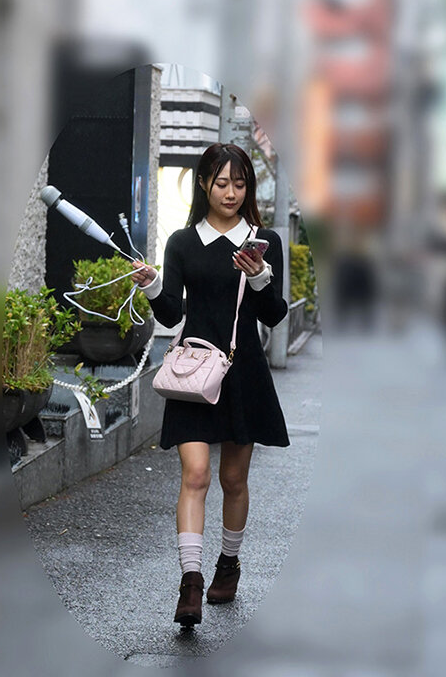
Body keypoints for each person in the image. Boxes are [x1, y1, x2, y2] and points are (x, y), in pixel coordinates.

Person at [130, 143, 290, 628]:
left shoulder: (263, 241)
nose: (231, 193)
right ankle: (191, 583)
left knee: (233, 480)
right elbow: (171, 315)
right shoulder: (182, 242)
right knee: (196, 474)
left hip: (242, 372)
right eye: (222, 183)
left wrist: (260, 278)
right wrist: (152, 285)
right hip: (193, 372)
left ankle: (228, 565)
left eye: (240, 184)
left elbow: (274, 315)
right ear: (203, 184)